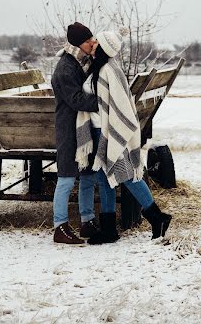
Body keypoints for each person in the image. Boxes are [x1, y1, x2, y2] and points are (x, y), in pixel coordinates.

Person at [76, 29, 172, 244]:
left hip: (108, 131)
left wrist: (111, 128)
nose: (92, 44)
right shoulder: (98, 68)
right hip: (97, 129)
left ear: (102, 47)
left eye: (96, 42)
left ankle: (157, 217)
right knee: (104, 179)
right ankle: (109, 230)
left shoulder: (109, 70)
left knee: (125, 175)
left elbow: (120, 104)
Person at [51, 22, 100, 245]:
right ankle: (60, 227)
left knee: (88, 175)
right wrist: (104, 101)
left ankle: (87, 221)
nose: (93, 43)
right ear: (78, 44)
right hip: (68, 128)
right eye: (88, 40)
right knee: (67, 177)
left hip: (83, 127)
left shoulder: (83, 62)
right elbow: (75, 100)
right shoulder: (65, 68)